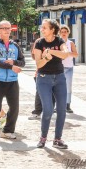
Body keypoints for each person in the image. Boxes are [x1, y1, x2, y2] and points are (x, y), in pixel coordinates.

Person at [34, 19, 69, 149]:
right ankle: (43, 138)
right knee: (48, 110)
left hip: (59, 78)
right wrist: (46, 58)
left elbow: (65, 55)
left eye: (44, 28)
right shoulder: (39, 43)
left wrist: (50, 52)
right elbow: (38, 64)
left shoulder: (59, 41)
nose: (42, 30)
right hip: (44, 79)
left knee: (61, 110)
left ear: (52, 30)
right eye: (41, 28)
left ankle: (57, 139)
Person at [60, 25, 78, 113]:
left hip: (69, 68)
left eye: (65, 32)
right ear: (59, 33)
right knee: (57, 87)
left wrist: (67, 53)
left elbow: (76, 54)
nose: (63, 33)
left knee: (68, 87)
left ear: (68, 33)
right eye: (62, 32)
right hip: (59, 68)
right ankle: (58, 105)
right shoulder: (58, 42)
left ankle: (68, 105)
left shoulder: (70, 43)